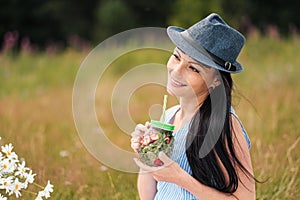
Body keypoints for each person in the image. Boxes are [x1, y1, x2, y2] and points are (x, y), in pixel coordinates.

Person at [131, 13, 256, 199]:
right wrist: (147, 153)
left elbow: (246, 198)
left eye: (194, 68)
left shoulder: (223, 124)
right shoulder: (169, 116)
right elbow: (150, 193)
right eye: (176, 57)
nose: (177, 70)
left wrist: (180, 177)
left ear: (215, 81)